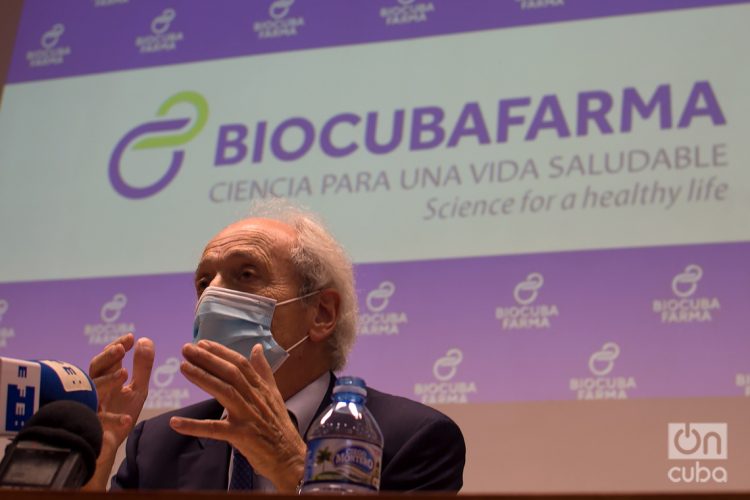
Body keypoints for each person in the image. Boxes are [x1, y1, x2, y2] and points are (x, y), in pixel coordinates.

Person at [85, 201, 465, 492]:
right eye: (204, 282)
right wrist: (95, 457)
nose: (213, 294)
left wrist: (292, 465)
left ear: (321, 313)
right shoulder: (158, 443)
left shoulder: (413, 438)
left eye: (245, 274)